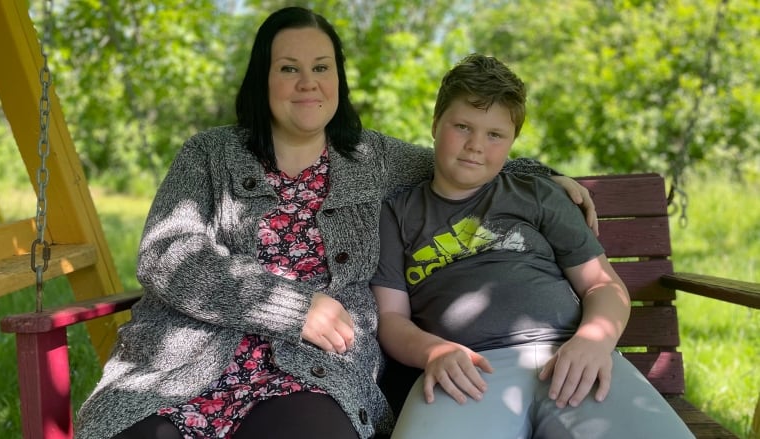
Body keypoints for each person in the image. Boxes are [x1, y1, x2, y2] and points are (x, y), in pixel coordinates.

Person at [75, 8, 597, 439]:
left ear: (339, 80)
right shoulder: (210, 156)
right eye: (289, 68)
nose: (308, 84)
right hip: (186, 363)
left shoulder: (373, 159)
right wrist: (293, 307)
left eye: (322, 68)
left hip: (315, 372)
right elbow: (166, 256)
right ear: (263, 77)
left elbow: (461, 158)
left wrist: (543, 175)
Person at [370, 54, 695, 438]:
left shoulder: (536, 195)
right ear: (435, 125)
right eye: (462, 126)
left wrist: (594, 342)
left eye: (495, 135)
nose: (476, 145)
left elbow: (602, 285)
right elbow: (392, 319)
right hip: (467, 370)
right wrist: (434, 352)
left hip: (570, 356)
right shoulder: (398, 214)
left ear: (511, 143)